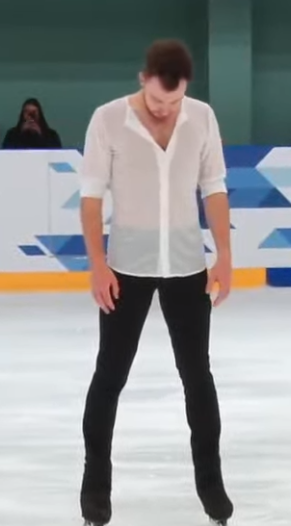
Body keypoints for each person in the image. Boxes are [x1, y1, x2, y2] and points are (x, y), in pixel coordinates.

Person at [77, 39, 234, 526]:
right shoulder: (108, 120)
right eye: (158, 100)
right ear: (143, 80)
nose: (166, 109)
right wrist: (97, 264)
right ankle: (95, 495)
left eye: (175, 100)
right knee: (110, 376)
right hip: (125, 267)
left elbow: (214, 187)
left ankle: (213, 490)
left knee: (197, 377)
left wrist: (225, 255)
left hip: (187, 266)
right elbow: (90, 197)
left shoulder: (202, 118)